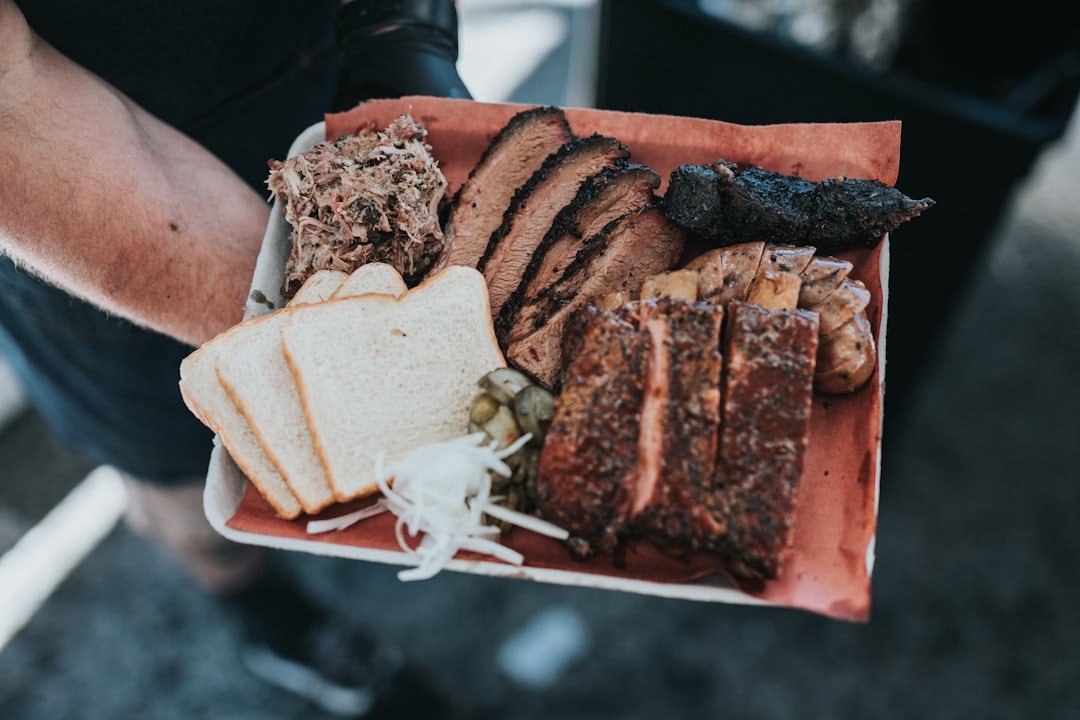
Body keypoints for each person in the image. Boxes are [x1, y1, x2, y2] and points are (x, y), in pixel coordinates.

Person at [0, 0, 469, 715]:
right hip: (87, 194)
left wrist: (402, 34)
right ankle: (271, 620)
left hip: (322, 68)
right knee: (197, 503)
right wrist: (296, 335)